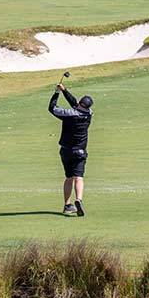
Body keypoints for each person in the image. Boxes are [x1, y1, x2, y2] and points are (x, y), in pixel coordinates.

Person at [48, 83, 94, 216]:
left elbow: (52, 108)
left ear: (80, 103)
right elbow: (75, 104)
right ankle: (78, 199)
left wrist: (57, 92)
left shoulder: (69, 114)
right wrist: (64, 90)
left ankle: (67, 204)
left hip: (66, 151)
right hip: (80, 151)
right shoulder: (89, 114)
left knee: (68, 178)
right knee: (78, 178)